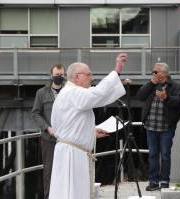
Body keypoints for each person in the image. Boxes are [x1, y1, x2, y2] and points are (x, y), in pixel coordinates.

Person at [48, 53, 128, 199]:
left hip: (70, 151)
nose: (92, 78)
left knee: (70, 192)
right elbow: (97, 94)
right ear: (77, 76)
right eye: (89, 74)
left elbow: (69, 124)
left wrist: (91, 132)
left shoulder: (70, 93)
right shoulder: (73, 92)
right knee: (72, 193)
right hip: (71, 154)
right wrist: (116, 71)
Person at [137, 62, 180, 191]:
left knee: (165, 154)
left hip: (166, 127)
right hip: (151, 126)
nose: (153, 74)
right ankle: (153, 182)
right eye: (153, 72)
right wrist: (151, 83)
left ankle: (164, 182)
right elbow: (140, 96)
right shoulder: (152, 85)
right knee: (152, 154)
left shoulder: (175, 86)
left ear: (164, 73)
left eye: (155, 72)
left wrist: (166, 97)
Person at [32, 64, 65, 199]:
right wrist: (47, 127)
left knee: (65, 170)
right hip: (49, 139)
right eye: (57, 75)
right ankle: (49, 196)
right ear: (51, 75)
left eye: (62, 75)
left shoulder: (69, 91)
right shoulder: (41, 93)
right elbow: (35, 113)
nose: (59, 77)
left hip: (67, 139)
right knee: (49, 171)